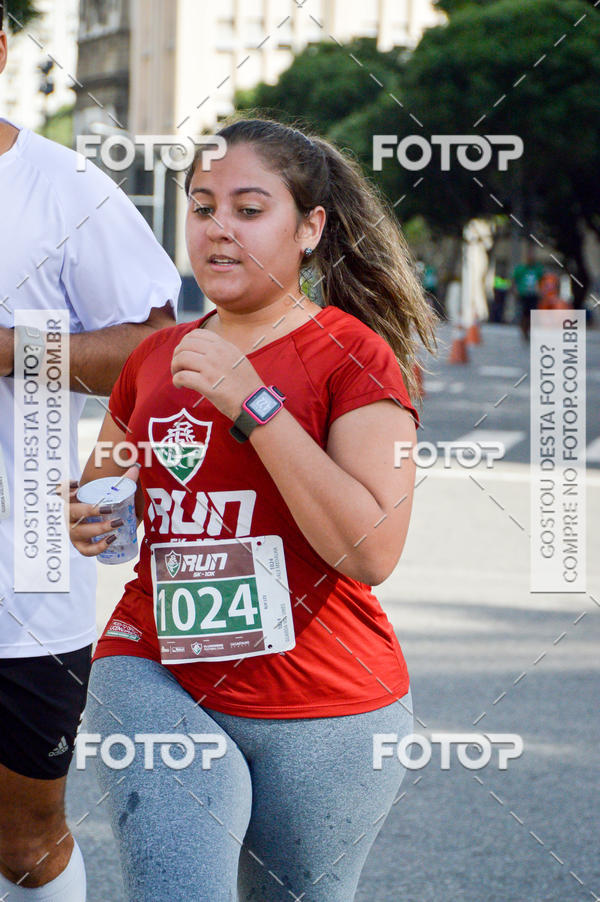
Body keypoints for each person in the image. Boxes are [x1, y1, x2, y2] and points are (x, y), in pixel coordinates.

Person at [68, 117, 437, 902]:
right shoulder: (154, 358)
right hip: (155, 667)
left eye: (247, 208)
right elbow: (106, 504)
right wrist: (92, 520)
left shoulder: (356, 356)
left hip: (329, 701)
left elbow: (370, 553)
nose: (218, 230)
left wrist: (256, 405)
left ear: (309, 229)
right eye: (202, 208)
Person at [0, 7, 181, 901]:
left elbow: (155, 345)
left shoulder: (63, 186)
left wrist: (7, 349)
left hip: (22, 574)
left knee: (23, 845)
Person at [512, 248, 544, 341]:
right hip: (523, 294)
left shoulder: (537, 269)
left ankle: (529, 330)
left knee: (532, 314)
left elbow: (541, 280)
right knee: (524, 314)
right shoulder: (520, 268)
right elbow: (514, 280)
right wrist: (515, 290)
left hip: (533, 294)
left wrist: (541, 291)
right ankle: (524, 331)